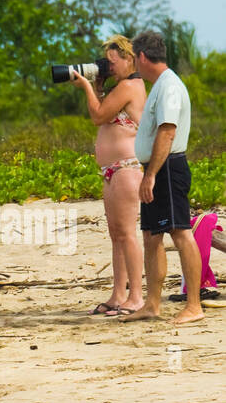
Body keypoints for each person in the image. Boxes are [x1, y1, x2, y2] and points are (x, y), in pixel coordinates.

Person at [124, 31, 204, 325]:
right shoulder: (158, 86)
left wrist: (152, 175)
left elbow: (167, 131)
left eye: (134, 57)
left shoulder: (169, 86)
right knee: (151, 236)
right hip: (157, 168)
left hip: (168, 167)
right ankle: (152, 304)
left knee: (180, 232)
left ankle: (194, 305)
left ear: (142, 57)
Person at [70, 35, 147, 316]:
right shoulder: (120, 87)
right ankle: (118, 294)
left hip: (127, 167)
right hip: (111, 170)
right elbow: (105, 111)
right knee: (116, 234)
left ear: (130, 59)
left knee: (127, 233)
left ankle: (136, 296)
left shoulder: (130, 86)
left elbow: (98, 115)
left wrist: (88, 88)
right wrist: (100, 87)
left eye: (113, 62)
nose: (109, 66)